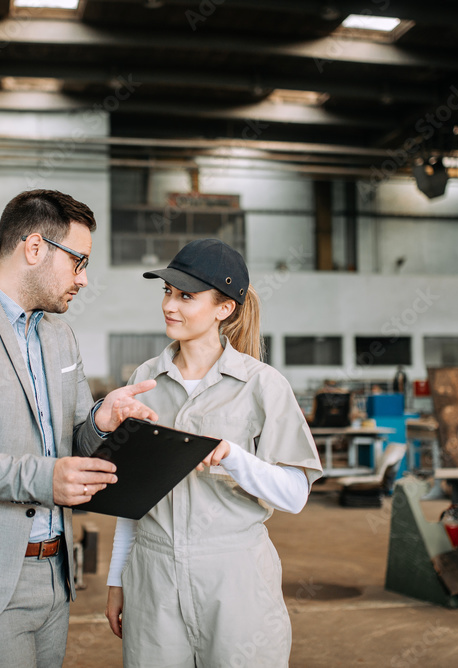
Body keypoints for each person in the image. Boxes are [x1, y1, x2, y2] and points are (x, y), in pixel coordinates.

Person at [0, 189, 157, 668]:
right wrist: (43, 478)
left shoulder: (60, 336)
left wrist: (103, 419)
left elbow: (74, 443)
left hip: (53, 573)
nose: (83, 279)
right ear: (34, 248)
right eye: (78, 262)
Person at [104, 239, 323, 667]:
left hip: (235, 580)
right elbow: (131, 495)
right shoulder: (145, 378)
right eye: (168, 292)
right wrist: (117, 580)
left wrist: (232, 457)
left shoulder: (262, 385)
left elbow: (295, 494)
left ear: (224, 309)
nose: (171, 305)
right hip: (153, 578)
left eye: (187, 296)